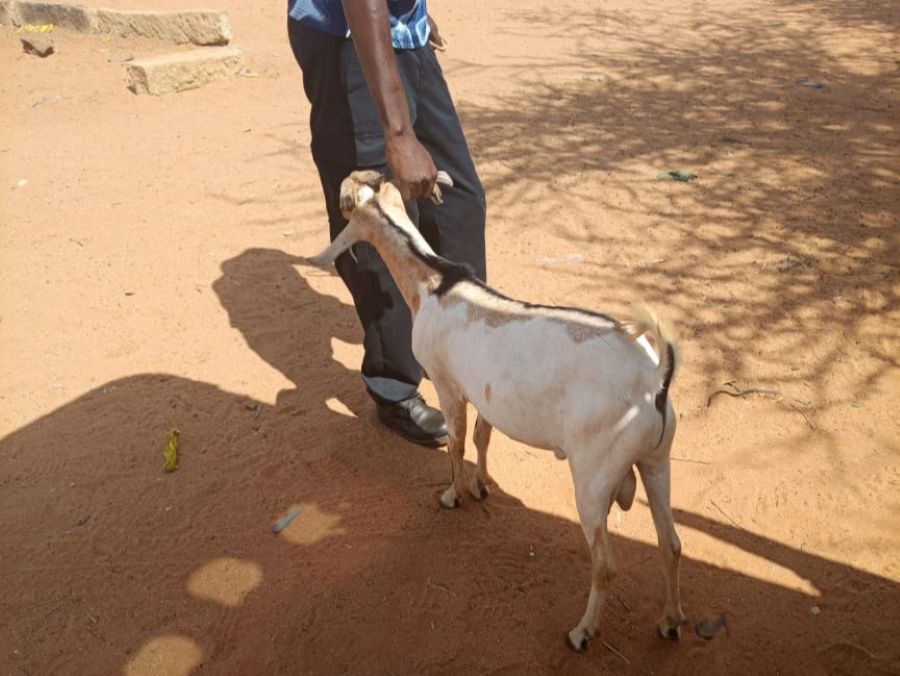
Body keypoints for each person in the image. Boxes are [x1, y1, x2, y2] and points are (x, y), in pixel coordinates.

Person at [287, 0, 487, 447]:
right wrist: (398, 135)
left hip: (396, 28)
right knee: (383, 224)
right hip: (346, 39)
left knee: (459, 203)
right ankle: (394, 385)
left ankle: (467, 349)